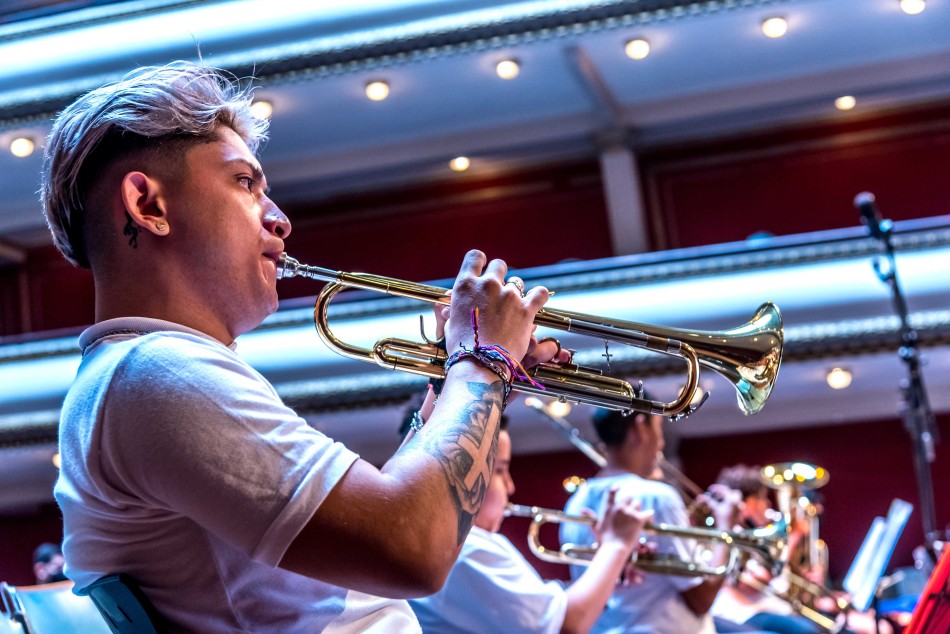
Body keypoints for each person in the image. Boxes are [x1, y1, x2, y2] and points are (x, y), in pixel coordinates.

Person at [42, 60, 565, 632]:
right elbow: (413, 546)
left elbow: (382, 526)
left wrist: (466, 392)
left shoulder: (140, 376)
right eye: (246, 183)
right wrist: (482, 363)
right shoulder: (155, 372)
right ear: (149, 206)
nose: (280, 219)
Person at [409, 415, 652, 633]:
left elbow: (546, 608)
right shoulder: (464, 549)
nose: (511, 486)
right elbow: (565, 625)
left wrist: (607, 569)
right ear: (460, 474)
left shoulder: (463, 545)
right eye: (501, 470)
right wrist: (616, 545)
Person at [560, 406, 743, 634]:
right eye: (659, 429)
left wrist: (688, 527)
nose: (662, 443)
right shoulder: (657, 496)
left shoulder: (575, 503)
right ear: (640, 428)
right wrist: (726, 529)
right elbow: (701, 598)